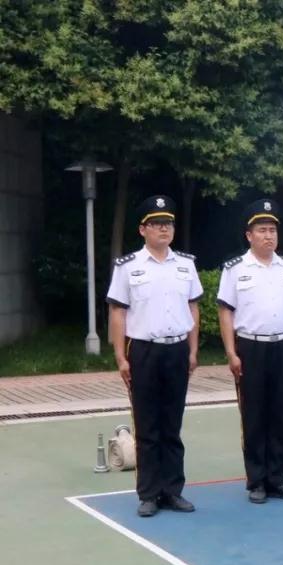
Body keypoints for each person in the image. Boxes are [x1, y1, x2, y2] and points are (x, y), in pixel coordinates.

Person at [106, 195, 202, 518]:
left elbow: (193, 308)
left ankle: (172, 491)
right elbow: (118, 312)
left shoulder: (185, 265)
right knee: (147, 425)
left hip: (177, 349)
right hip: (143, 350)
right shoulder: (128, 266)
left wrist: (193, 350)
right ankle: (148, 494)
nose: (164, 229)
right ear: (142, 229)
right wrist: (120, 357)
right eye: (157, 223)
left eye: (168, 223)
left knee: (172, 425)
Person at [217, 199, 283, 504]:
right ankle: (256, 481)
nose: (269, 236)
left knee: (282, 415)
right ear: (249, 235)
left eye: (272, 230)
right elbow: (226, 311)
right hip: (251, 347)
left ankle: (278, 480)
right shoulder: (235, 269)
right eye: (262, 230)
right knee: (254, 416)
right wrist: (231, 352)